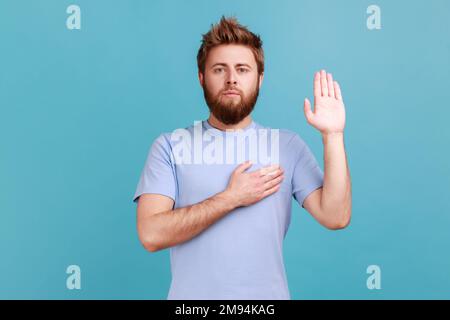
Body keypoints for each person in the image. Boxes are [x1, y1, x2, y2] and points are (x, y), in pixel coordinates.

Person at [133, 16, 352, 300]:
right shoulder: (170, 146)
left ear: (259, 78)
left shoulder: (287, 146)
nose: (231, 79)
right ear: (201, 77)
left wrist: (333, 136)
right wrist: (231, 198)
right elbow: (151, 234)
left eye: (242, 69)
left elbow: (335, 216)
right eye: (219, 69)